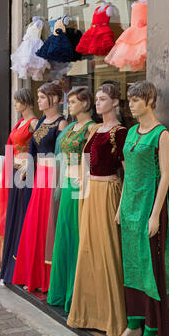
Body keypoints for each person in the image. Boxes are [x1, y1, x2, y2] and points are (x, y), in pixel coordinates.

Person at [115, 81, 169, 336]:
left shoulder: (161, 133)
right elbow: (128, 173)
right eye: (129, 100)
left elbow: (165, 175)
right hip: (129, 207)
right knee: (130, 264)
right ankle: (134, 322)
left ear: (149, 100)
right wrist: (120, 206)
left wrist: (156, 215)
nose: (130, 105)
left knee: (149, 269)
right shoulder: (131, 132)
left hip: (149, 208)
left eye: (135, 100)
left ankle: (153, 331)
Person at [67, 83, 128, 336]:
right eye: (98, 99)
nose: (99, 103)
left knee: (107, 252)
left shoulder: (120, 132)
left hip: (108, 194)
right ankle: (87, 313)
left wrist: (122, 205)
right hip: (90, 193)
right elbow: (85, 163)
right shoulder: (95, 130)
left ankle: (112, 318)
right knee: (88, 251)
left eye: (103, 99)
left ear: (115, 102)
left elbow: (128, 173)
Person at [13, 81, 67, 293]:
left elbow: (61, 156)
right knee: (35, 224)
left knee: (47, 225)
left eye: (43, 97)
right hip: (38, 176)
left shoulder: (61, 124)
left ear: (54, 99)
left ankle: (47, 279)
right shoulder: (43, 121)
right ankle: (34, 275)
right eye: (39, 97)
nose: (39, 101)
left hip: (51, 175)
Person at [47, 86, 96, 313]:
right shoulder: (72, 127)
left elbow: (91, 160)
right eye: (69, 102)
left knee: (77, 234)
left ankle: (75, 294)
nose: (70, 106)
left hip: (80, 185)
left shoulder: (90, 128)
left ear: (86, 104)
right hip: (67, 183)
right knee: (64, 233)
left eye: (74, 102)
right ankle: (61, 290)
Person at [0, 89, 38, 284]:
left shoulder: (33, 123)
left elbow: (38, 150)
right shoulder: (20, 122)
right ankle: (12, 264)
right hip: (15, 170)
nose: (15, 105)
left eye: (17, 101)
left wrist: (29, 166)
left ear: (25, 102)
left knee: (22, 215)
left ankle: (20, 265)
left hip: (25, 173)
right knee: (15, 215)